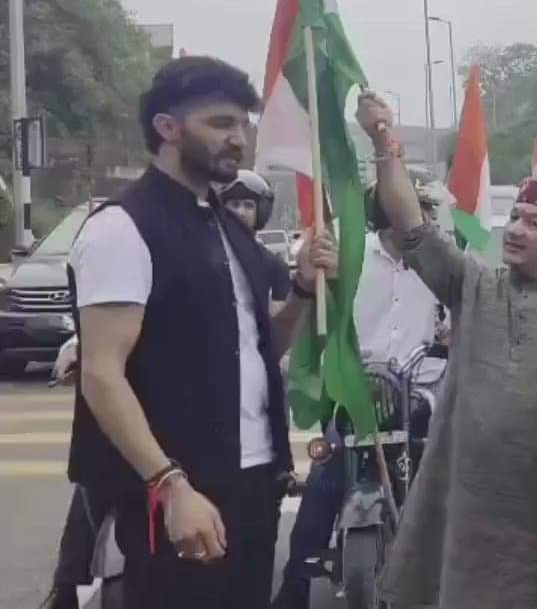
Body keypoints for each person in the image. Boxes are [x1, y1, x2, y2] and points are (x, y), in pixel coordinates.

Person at [67, 56, 337, 609]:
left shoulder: (227, 227)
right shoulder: (123, 228)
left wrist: (306, 291)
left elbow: (261, 351)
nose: (237, 139)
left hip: (253, 482)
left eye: (242, 125)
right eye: (219, 124)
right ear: (168, 128)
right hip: (175, 489)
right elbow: (101, 373)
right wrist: (169, 485)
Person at [356, 92, 537, 609]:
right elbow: (409, 224)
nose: (514, 229)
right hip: (467, 506)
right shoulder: (474, 286)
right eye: (515, 217)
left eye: (534, 223)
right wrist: (383, 143)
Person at [271, 181, 448, 609]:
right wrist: (318, 280)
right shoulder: (349, 256)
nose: (420, 220)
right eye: (411, 211)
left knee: (449, 473)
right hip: (354, 389)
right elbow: (314, 309)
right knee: (325, 478)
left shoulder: (440, 260)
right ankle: (296, 582)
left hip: (420, 390)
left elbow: (462, 309)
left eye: (423, 211)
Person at [218, 170, 291, 310]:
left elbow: (278, 318)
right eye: (234, 204)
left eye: (248, 205)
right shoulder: (203, 255)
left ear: (261, 212)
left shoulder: (274, 265)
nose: (240, 212)